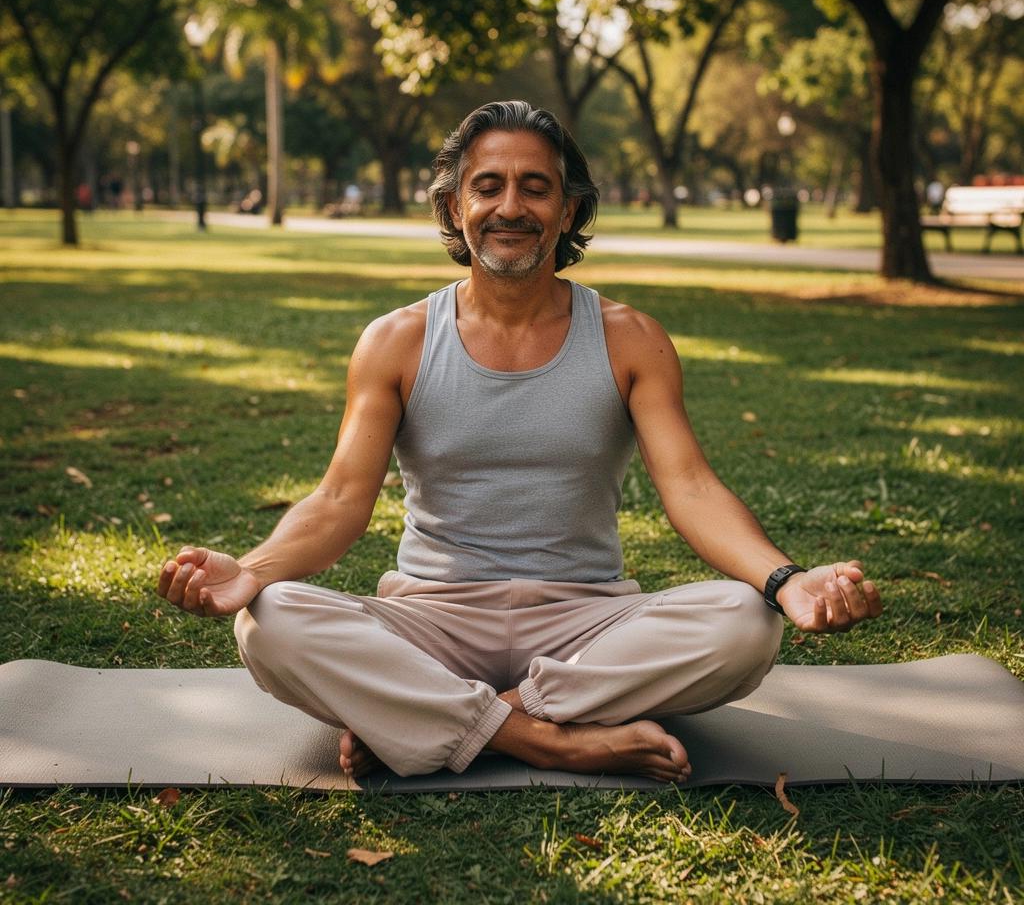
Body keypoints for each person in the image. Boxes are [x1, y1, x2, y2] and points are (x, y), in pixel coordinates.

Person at [158, 100, 882, 783]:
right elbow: (340, 499)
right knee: (270, 621)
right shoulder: (396, 340)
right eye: (488, 187)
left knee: (746, 624)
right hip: (432, 620)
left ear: (567, 210)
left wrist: (785, 581)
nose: (511, 207)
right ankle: (549, 738)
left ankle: (430, 721)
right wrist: (251, 571)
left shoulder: (631, 338)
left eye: (536, 188)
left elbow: (691, 489)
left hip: (586, 623)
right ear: (454, 207)